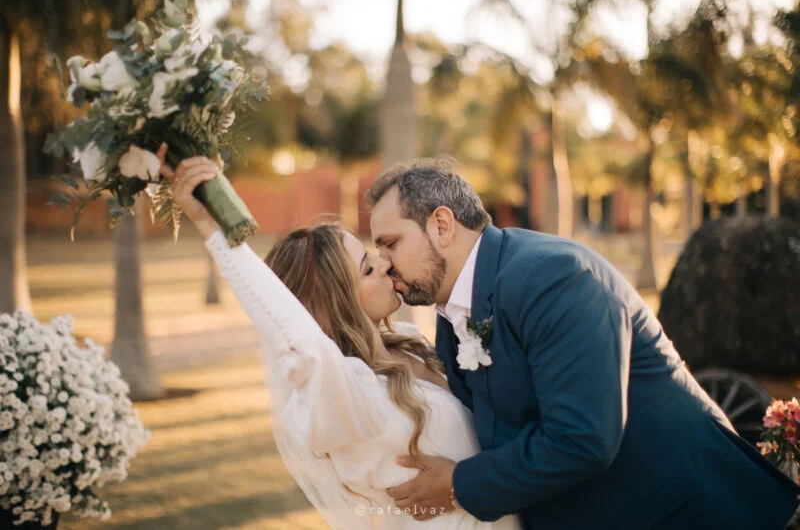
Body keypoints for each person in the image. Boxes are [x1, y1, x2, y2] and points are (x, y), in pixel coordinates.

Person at [367, 157, 800, 530]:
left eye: (391, 243)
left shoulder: (550, 276)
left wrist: (459, 485)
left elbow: (583, 436)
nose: (384, 263)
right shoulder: (451, 319)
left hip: (688, 511)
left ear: (442, 225)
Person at [158, 146, 521, 530]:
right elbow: (291, 331)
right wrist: (211, 223)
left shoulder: (409, 342)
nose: (384, 264)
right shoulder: (349, 393)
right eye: (366, 269)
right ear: (332, 307)